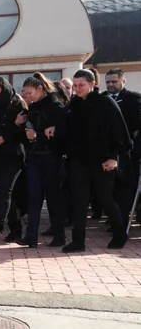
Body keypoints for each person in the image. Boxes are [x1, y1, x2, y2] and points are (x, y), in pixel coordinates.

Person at [52, 69, 131, 252]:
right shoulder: (75, 104)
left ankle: (120, 233)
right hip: (79, 160)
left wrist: (113, 157)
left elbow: (119, 132)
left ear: (92, 84)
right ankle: (78, 241)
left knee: (105, 198)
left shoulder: (105, 102)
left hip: (102, 160)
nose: (77, 89)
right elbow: (67, 126)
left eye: (81, 85)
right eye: (76, 85)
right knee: (79, 200)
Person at [16, 72, 67, 248]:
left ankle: (59, 235)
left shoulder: (55, 106)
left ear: (40, 88)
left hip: (51, 157)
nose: (27, 97)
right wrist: (21, 124)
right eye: (25, 93)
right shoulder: (33, 107)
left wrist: (38, 135)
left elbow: (62, 135)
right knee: (33, 197)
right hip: (34, 156)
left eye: (30, 93)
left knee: (54, 198)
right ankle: (31, 236)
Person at [0, 78, 27, 246]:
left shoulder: (17, 106)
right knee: (9, 195)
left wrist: (7, 133)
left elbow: (23, 134)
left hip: (13, 156)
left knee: (5, 192)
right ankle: (15, 229)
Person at [104, 68, 141, 228]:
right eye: (108, 82)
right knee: (109, 188)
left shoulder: (134, 99)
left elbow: (135, 123)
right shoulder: (102, 99)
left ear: (123, 81)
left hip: (127, 151)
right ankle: (113, 218)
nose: (111, 85)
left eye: (114, 81)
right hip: (107, 151)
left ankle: (122, 220)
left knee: (125, 188)